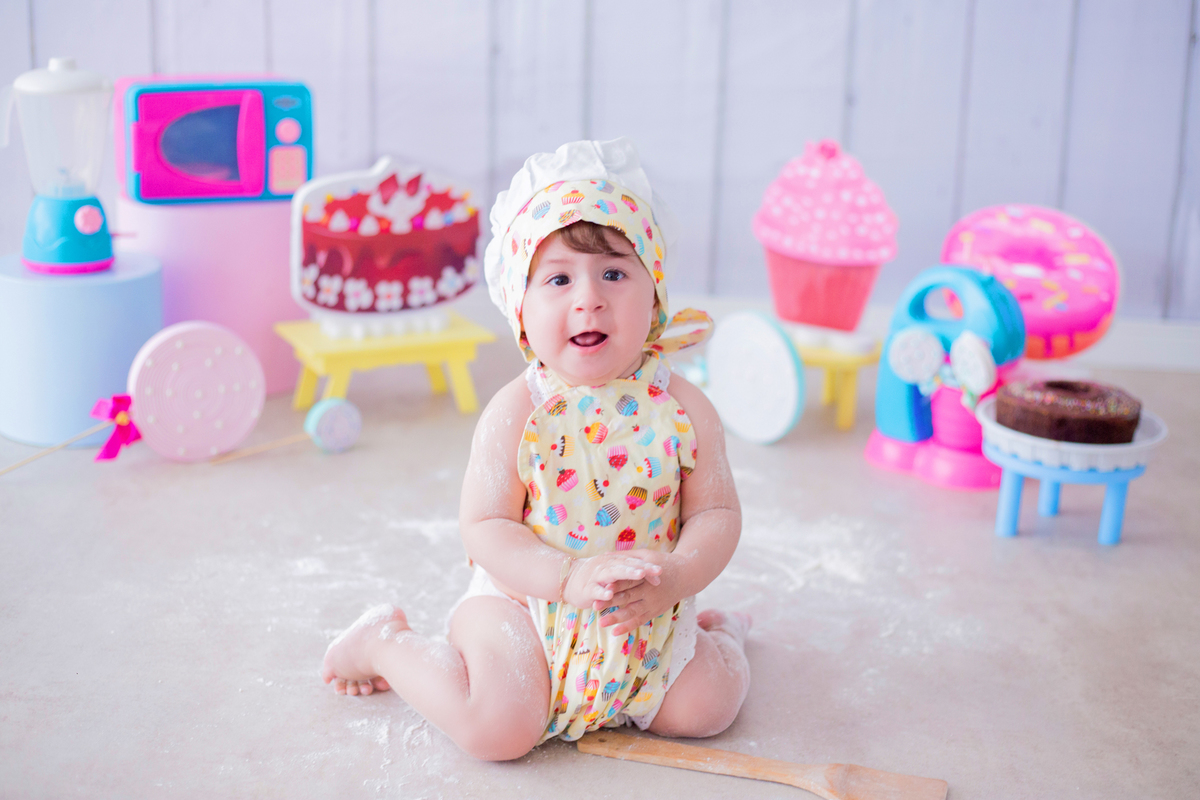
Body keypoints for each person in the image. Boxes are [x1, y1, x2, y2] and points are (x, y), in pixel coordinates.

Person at [321, 139, 751, 760]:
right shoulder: (518, 411)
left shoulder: (683, 407)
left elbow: (716, 514)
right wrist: (567, 576)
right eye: (557, 278)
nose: (589, 298)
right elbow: (486, 527)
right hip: (523, 605)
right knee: (500, 730)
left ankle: (723, 634)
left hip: (641, 612)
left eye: (614, 272)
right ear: (520, 308)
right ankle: (386, 640)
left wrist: (678, 578)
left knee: (708, 707)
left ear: (654, 294)